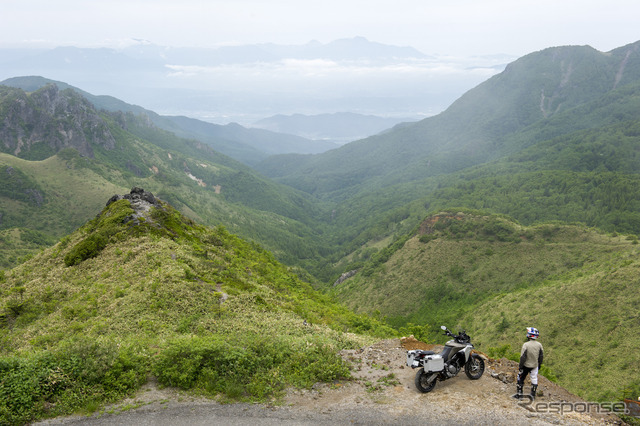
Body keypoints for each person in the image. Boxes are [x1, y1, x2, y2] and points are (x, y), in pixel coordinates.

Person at [513, 327, 544, 400]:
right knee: (534, 378)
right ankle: (532, 395)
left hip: (525, 365)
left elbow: (522, 357)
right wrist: (539, 364)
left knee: (520, 378)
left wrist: (520, 366)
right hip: (535, 365)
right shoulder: (539, 345)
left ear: (529, 335)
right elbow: (541, 356)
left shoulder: (526, 345)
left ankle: (519, 395)